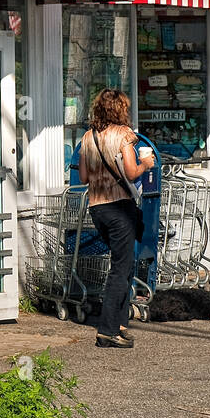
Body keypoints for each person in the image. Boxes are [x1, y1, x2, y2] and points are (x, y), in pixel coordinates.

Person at [77, 88, 155, 349]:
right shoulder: (124, 135)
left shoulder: (88, 137)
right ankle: (107, 331)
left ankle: (120, 322)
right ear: (120, 109)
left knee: (125, 263)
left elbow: (84, 178)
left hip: (97, 208)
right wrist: (147, 164)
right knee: (120, 269)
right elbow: (132, 173)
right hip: (120, 208)